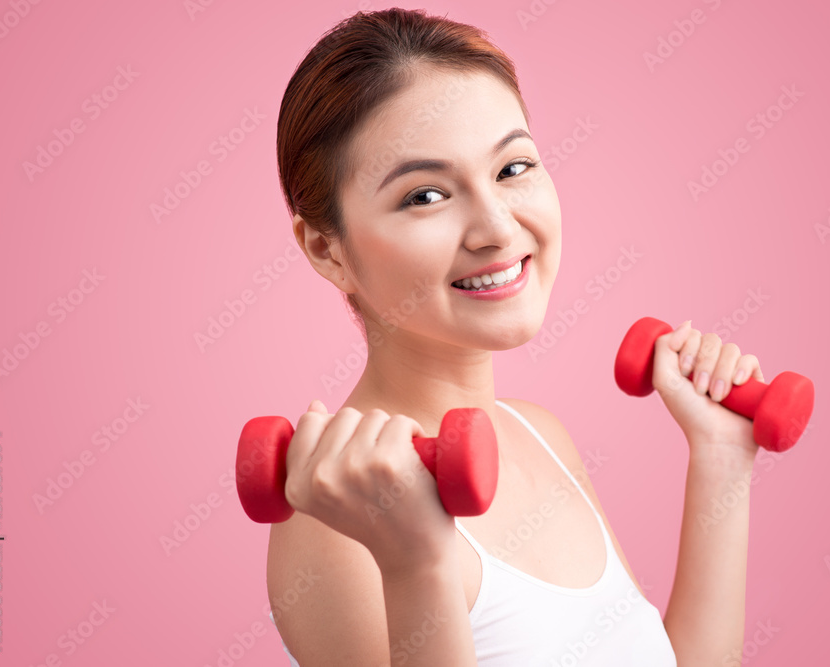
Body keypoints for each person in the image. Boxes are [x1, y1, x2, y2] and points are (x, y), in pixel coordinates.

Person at [266, 8, 764, 666]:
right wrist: (418, 565)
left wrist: (722, 460)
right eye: (425, 195)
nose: (497, 229)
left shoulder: (539, 435)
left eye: (511, 169)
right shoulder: (334, 516)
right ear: (327, 249)